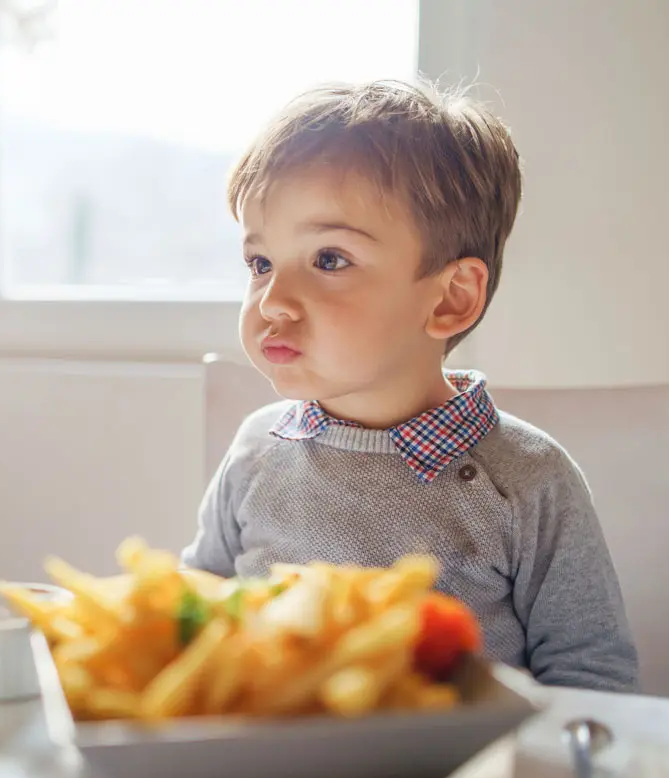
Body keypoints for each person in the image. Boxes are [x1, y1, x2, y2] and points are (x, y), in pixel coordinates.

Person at [180, 80, 638, 692]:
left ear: (451, 298)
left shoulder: (529, 481)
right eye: (260, 263)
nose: (274, 301)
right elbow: (198, 610)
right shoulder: (256, 450)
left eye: (330, 259)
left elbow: (592, 676)